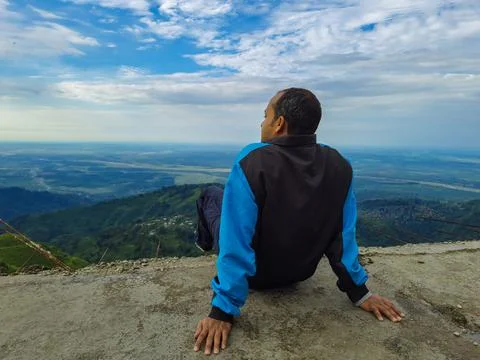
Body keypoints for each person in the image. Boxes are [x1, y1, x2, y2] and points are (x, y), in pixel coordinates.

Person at [193, 88, 405, 355]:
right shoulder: (340, 165)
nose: (262, 123)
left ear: (279, 123)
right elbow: (343, 236)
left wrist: (222, 311)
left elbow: (236, 238)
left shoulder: (254, 161)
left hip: (255, 278)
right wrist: (359, 292)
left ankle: (204, 245)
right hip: (299, 275)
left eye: (265, 116)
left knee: (211, 195)